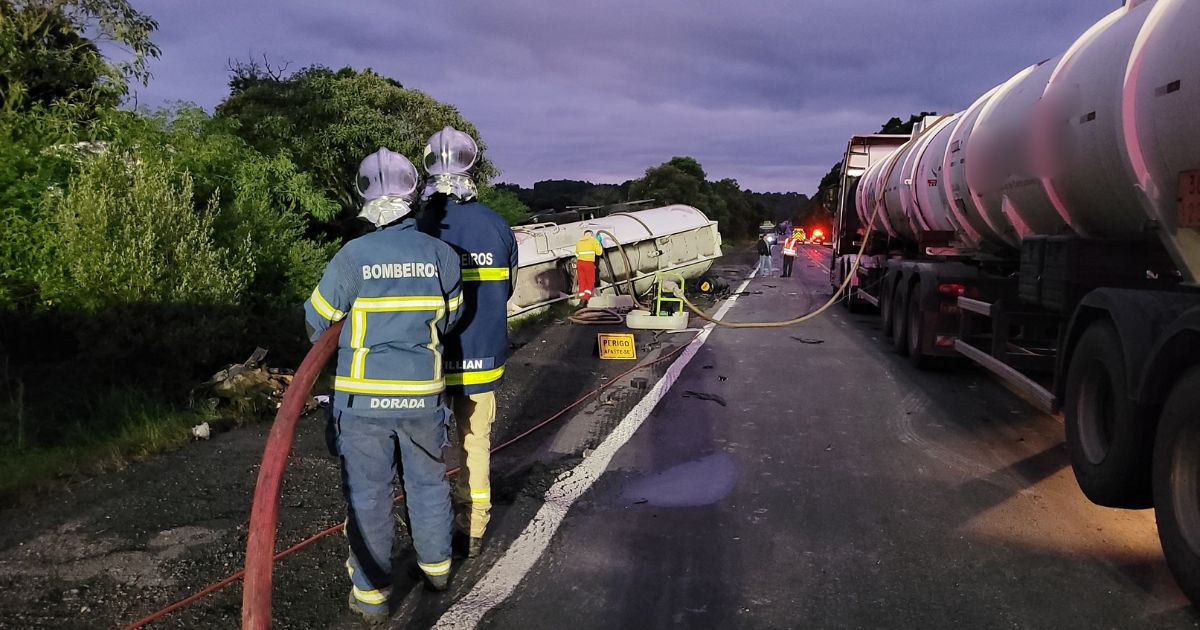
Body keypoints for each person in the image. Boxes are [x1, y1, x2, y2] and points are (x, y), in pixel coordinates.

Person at [305, 148, 463, 624]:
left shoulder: (352, 257)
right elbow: (451, 319)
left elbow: (318, 323)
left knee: (368, 494)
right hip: (423, 397)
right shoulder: (441, 254)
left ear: (364, 196)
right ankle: (436, 570)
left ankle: (371, 595)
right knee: (428, 482)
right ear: (413, 194)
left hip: (362, 402)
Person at [416, 126, 518, 559]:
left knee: (422, 452)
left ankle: (431, 540)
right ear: (471, 164)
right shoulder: (496, 227)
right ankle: (475, 530)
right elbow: (508, 288)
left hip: (426, 362)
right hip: (482, 358)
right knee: (475, 444)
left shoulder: (418, 227)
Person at [575, 229, 604, 301]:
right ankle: (585, 299)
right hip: (588, 263)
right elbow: (599, 253)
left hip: (579, 263)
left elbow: (576, 254)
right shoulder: (593, 240)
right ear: (591, 234)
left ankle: (581, 296)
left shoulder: (579, 241)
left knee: (582, 281)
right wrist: (598, 242)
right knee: (590, 281)